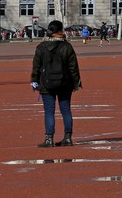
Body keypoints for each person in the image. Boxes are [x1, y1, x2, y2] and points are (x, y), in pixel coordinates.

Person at [30, 19, 82, 148]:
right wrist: (76, 83)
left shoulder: (41, 47)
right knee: (66, 110)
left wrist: (34, 81)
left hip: (46, 83)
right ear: (60, 31)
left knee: (49, 111)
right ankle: (68, 138)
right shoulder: (67, 46)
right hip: (65, 83)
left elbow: (36, 66)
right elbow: (73, 67)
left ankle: (49, 139)